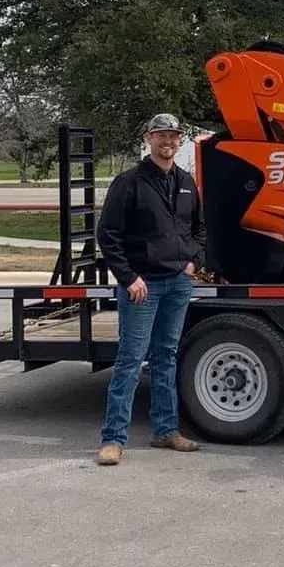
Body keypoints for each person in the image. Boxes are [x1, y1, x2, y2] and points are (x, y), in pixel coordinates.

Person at [94, 113, 207, 466]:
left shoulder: (187, 183)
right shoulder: (129, 183)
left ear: (180, 141)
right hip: (143, 287)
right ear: (148, 139)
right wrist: (129, 278)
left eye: (173, 136)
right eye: (161, 135)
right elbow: (108, 235)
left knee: (166, 357)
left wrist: (194, 263)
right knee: (130, 360)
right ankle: (113, 439)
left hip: (178, 283)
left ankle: (166, 430)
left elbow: (199, 230)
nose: (168, 142)